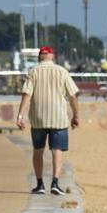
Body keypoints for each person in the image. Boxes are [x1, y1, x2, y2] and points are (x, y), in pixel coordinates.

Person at [15, 45, 79, 195]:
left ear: (39, 57)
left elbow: (26, 94)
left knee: (38, 151)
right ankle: (55, 183)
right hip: (59, 118)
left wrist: (20, 116)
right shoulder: (62, 72)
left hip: (38, 119)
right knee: (57, 151)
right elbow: (73, 96)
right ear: (52, 56)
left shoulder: (33, 72)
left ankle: (40, 184)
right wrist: (76, 115)